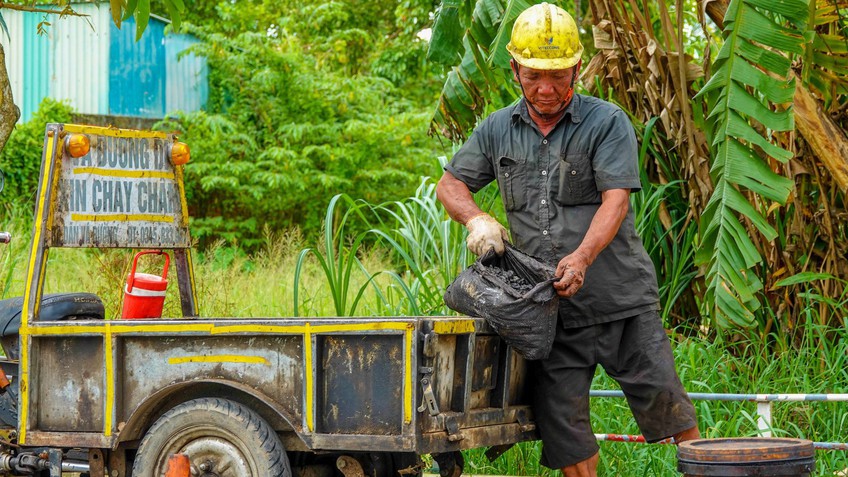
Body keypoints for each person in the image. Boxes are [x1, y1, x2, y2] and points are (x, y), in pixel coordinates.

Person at [435, 3, 700, 476]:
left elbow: (615, 201)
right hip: (548, 313)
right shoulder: (497, 129)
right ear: (515, 68)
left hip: (621, 301)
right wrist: (476, 219)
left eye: (558, 76)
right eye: (534, 75)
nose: (546, 88)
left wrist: (581, 257)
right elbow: (450, 186)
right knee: (566, 433)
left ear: (577, 67)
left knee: (670, 407)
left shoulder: (606, 122)